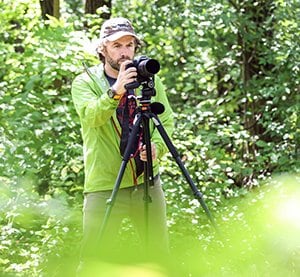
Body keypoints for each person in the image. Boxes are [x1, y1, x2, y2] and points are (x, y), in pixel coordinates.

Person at [71, 17, 174, 263]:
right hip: (105, 184)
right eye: (117, 46)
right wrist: (115, 91)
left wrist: (157, 147)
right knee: (94, 259)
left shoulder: (149, 79)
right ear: (102, 49)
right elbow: (91, 117)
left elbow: (166, 121)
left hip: (147, 182)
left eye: (129, 45)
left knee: (159, 256)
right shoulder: (85, 82)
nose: (124, 52)